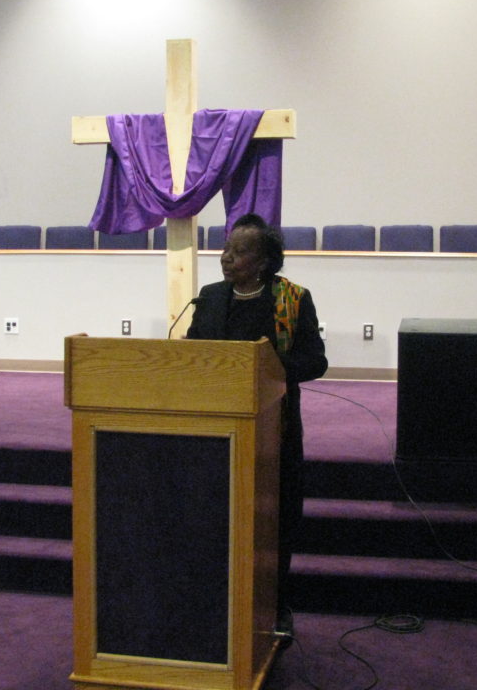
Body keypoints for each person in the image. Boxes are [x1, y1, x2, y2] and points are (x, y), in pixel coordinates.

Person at [186, 213, 328, 640]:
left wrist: (265, 370)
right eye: (227, 249)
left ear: (265, 261)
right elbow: (194, 354)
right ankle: (215, 601)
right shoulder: (210, 297)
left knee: (274, 521)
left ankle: (275, 604)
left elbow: (316, 361)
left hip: (273, 433)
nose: (226, 258)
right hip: (217, 430)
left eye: (239, 251)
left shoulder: (293, 300)